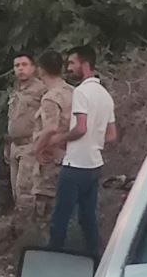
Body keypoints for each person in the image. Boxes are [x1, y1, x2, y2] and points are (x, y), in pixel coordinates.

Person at [45, 45, 117, 260]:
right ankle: (95, 261)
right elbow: (111, 135)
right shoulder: (105, 95)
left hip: (76, 163)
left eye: (72, 63)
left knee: (61, 217)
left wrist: (59, 139)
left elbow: (81, 127)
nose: (69, 68)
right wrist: (94, 140)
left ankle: (52, 261)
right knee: (88, 218)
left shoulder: (81, 92)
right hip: (94, 163)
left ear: (85, 65)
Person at [5, 51, 46, 234]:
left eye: (24, 65)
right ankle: (20, 232)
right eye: (17, 66)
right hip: (15, 145)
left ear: (33, 68)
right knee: (16, 192)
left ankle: (28, 235)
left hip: (30, 145)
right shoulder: (16, 91)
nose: (20, 69)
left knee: (26, 192)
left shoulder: (41, 90)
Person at [31, 51, 74, 219]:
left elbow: (51, 128)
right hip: (70, 157)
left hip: (50, 159)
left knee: (45, 212)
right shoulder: (73, 91)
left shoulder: (51, 97)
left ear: (40, 70)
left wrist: (37, 149)